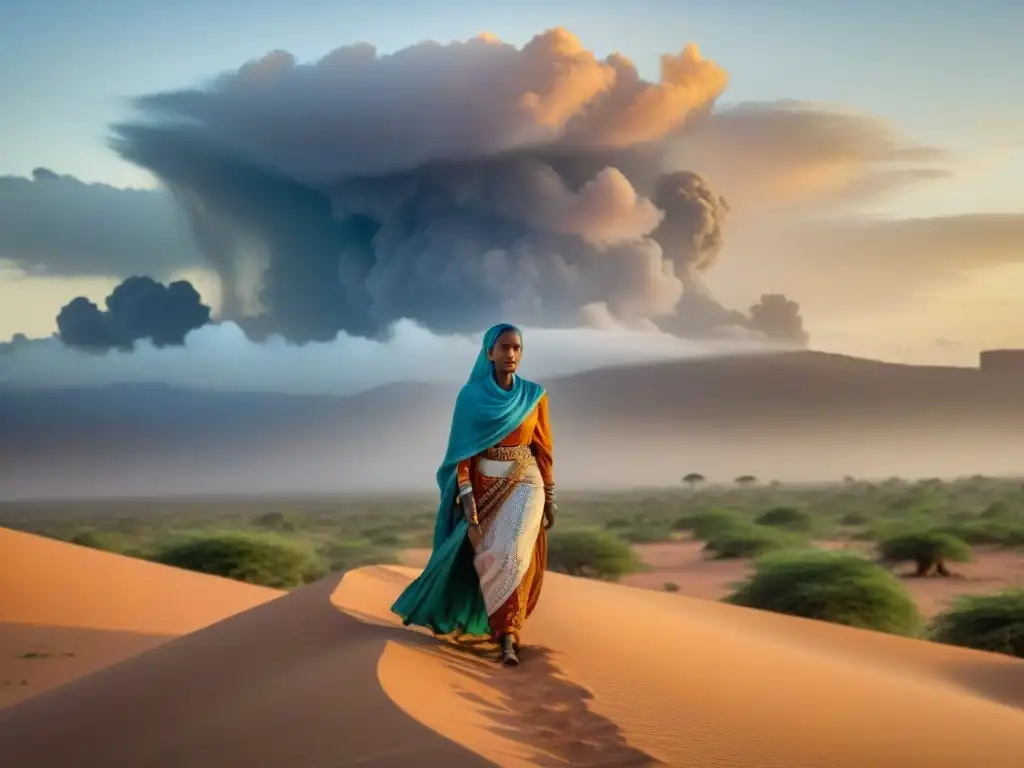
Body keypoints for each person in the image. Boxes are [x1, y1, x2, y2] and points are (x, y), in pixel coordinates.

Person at [391, 323, 556, 666]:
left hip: (526, 479)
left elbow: (543, 448)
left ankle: (508, 636)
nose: (511, 355)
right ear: (489, 353)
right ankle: (494, 627)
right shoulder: (470, 397)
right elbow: (463, 458)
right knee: (489, 557)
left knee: (512, 554)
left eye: (517, 348)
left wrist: (551, 496)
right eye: (504, 348)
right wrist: (470, 511)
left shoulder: (535, 394)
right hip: (482, 486)